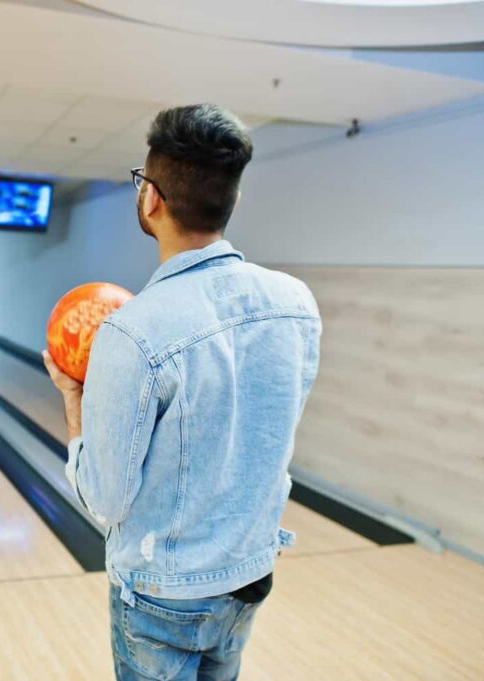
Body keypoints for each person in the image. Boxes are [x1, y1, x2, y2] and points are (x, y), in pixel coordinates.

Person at [42, 104, 322, 681]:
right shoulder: (296, 302)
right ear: (233, 200)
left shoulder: (132, 331)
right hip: (248, 574)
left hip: (162, 593)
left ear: (150, 199)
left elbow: (106, 498)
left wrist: (74, 403)